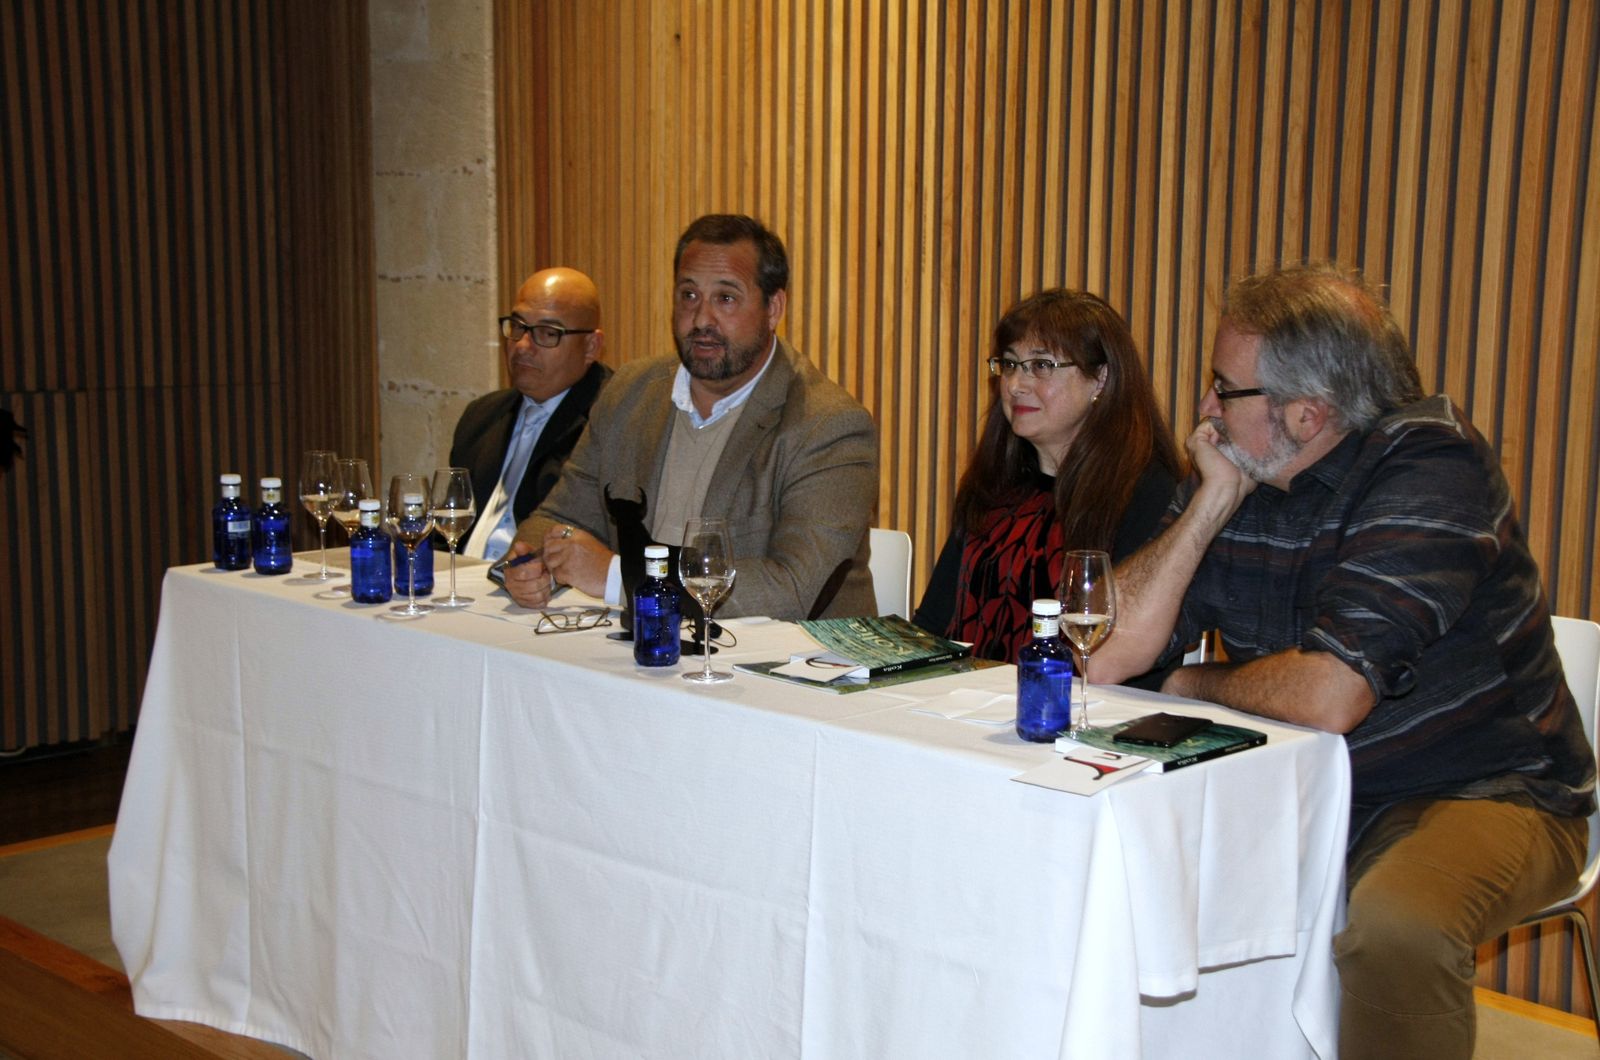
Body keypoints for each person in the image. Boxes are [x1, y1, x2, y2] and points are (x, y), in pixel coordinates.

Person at [1090, 263, 1594, 1059]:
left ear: (1306, 412)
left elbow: (1331, 694)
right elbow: (1105, 656)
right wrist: (1211, 505)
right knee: (1121, 874)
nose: (1203, 409)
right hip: (1297, 781)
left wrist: (1186, 682)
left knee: (1398, 930)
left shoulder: (1433, 466)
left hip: (1483, 789)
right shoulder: (1242, 469)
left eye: (1225, 387)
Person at [501, 214, 878, 620]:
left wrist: (617, 577)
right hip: (645, 652)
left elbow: (792, 588)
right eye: (689, 295)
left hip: (784, 667)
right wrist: (536, 563)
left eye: (726, 298)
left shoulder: (828, 425)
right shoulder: (631, 391)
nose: (701, 320)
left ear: (774, 308)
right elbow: (556, 517)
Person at [912, 289, 1181, 663]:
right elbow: (933, 625)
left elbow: (1132, 659)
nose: (1015, 385)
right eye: (1009, 365)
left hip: (1078, 707)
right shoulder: (991, 485)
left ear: (1100, 379)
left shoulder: (1146, 494)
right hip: (960, 706)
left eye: (1041, 366)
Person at [451, 267, 612, 561]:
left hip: (548, 594)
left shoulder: (610, 421)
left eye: (548, 333)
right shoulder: (481, 416)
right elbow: (447, 528)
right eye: (518, 326)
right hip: (463, 584)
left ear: (591, 347)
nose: (523, 346)